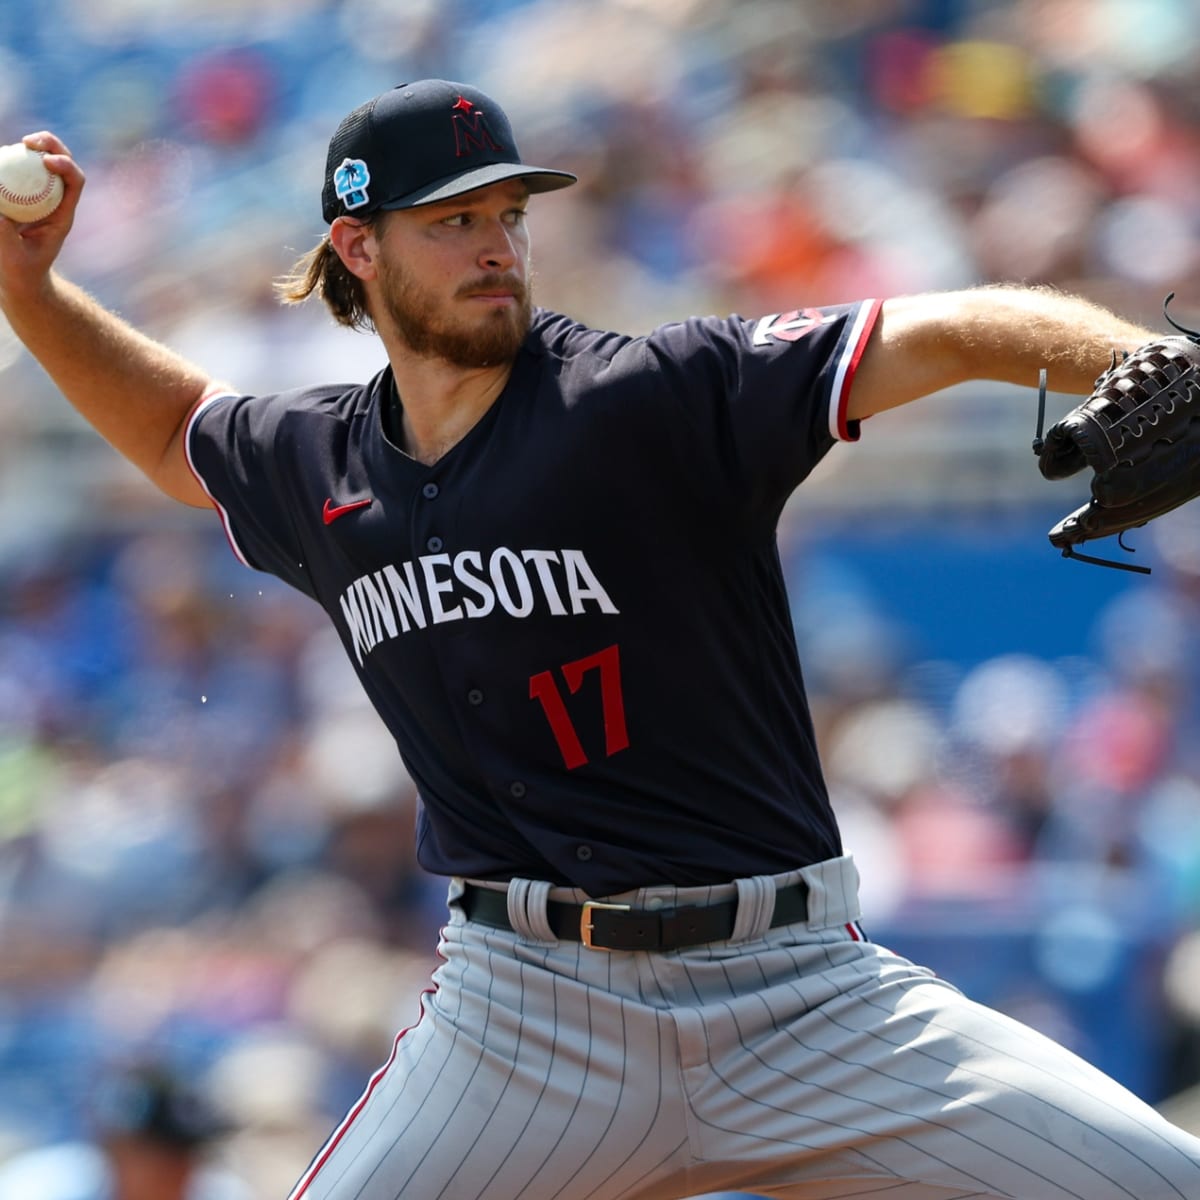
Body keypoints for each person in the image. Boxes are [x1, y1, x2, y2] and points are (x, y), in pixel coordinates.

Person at [1, 77, 1198, 1200]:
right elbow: (174, 435)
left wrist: (1146, 366)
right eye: (452, 220)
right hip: (523, 1019)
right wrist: (30, 295)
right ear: (356, 250)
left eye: (509, 213)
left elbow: (950, 330)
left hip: (797, 993)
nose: (496, 246)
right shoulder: (316, 463)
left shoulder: (648, 394)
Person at [0, 1062, 251, 1200]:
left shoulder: (220, 1193)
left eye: (189, 1153)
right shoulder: (40, 1189)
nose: (182, 1169)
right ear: (117, 1149)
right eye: (163, 1154)